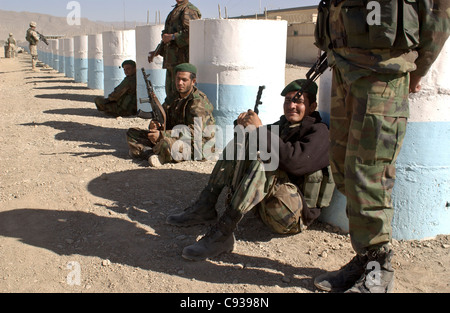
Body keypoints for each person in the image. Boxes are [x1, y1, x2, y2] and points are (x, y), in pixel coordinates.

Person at [313, 0, 450, 293]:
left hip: (381, 76)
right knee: (342, 167)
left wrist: (416, 69)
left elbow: (438, 14)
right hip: (342, 71)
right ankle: (365, 258)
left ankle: (378, 270)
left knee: (369, 173)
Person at [165, 79, 335, 261]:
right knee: (241, 142)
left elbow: (296, 162)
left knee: (266, 159)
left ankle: (223, 233)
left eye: (298, 101)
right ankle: (206, 204)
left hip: (291, 217)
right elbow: (255, 139)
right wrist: (242, 126)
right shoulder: (284, 126)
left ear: (312, 106)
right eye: (287, 101)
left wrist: (259, 129)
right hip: (269, 206)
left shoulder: (320, 133)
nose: (291, 106)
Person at [126, 63, 216, 167]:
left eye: (184, 80)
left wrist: (163, 135)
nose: (179, 83)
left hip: (198, 144)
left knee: (165, 144)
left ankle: (147, 152)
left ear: (193, 82)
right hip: (174, 135)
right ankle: (152, 153)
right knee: (132, 133)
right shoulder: (173, 97)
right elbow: (164, 117)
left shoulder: (198, 102)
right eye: (177, 79)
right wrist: (155, 125)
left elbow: (196, 131)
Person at [148, 0, 201, 100]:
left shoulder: (188, 10)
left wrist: (173, 37)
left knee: (180, 92)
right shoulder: (176, 10)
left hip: (181, 60)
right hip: (171, 61)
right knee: (171, 93)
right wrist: (157, 51)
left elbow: (192, 33)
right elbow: (166, 36)